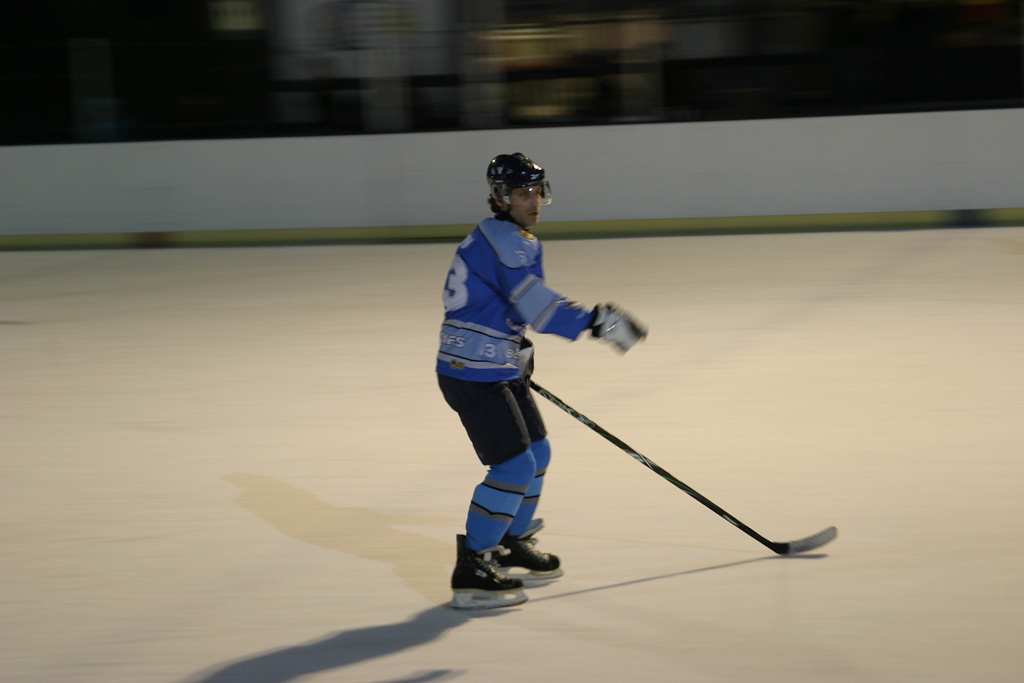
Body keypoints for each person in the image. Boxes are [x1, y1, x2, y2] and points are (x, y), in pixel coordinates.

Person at [437, 153, 648, 610]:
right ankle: (473, 567)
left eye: (536, 191)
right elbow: (539, 307)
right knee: (514, 466)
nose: (532, 201)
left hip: (490, 364)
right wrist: (597, 322)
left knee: (538, 452)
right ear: (500, 198)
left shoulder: (504, 236)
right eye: (521, 193)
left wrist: (515, 346)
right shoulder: (508, 242)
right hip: (473, 373)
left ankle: (510, 540)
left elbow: (500, 304)